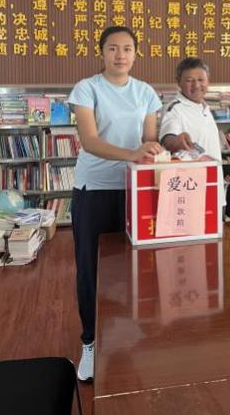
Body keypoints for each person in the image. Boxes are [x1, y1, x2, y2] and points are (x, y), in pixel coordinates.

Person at [68, 26, 163, 381]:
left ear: (136, 54)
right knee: (91, 268)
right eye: (112, 48)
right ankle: (90, 343)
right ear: (102, 52)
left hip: (133, 188)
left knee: (134, 266)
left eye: (127, 48)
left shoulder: (146, 92)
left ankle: (126, 334)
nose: (120, 55)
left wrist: (151, 151)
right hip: (94, 189)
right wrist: (132, 153)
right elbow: (90, 141)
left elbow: (149, 140)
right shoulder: (87, 88)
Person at [159, 57, 222, 161]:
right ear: (178, 82)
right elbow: (168, 139)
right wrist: (177, 142)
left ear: (208, 81)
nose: (196, 85)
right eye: (189, 80)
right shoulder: (174, 108)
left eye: (201, 80)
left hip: (214, 170)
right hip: (193, 171)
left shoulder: (204, 107)